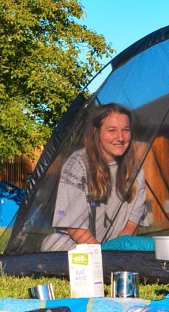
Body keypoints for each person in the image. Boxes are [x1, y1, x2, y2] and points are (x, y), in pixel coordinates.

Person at [41, 103, 147, 251]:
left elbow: (132, 225)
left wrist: (115, 254)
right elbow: (73, 226)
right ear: (96, 132)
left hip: (113, 251)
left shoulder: (136, 173)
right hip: (74, 246)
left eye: (126, 130)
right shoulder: (78, 164)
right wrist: (99, 255)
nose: (121, 137)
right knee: (56, 245)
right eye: (112, 130)